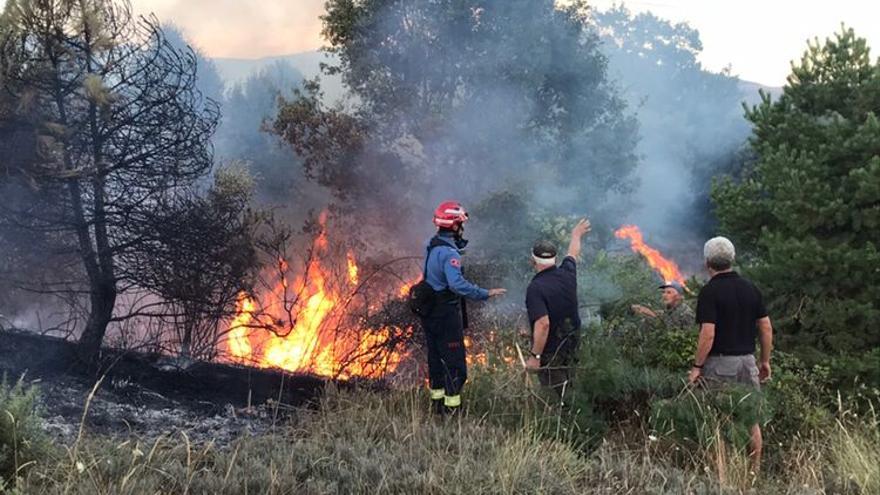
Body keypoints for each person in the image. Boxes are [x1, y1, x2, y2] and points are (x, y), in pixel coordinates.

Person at [689, 236, 773, 470]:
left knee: (720, 419)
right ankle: (754, 471)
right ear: (732, 259)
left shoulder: (709, 292)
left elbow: (708, 334)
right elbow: (765, 327)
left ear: (708, 263)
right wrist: (764, 361)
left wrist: (697, 367)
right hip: (748, 362)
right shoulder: (750, 288)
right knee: (751, 419)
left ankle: (724, 474)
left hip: (720, 365)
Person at [421, 200, 506, 415]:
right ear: (455, 226)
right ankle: (452, 412)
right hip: (445, 315)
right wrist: (485, 293)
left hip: (430, 312)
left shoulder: (432, 244)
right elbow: (456, 284)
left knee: (436, 360)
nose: (463, 229)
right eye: (461, 224)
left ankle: (437, 407)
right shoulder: (450, 254)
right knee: (455, 365)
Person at [524, 218, 591, 405]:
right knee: (570, 388)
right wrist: (576, 234)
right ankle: (576, 421)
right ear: (554, 258)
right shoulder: (567, 274)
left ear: (533, 261)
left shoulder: (535, 288)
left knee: (558, 398)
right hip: (572, 344)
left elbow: (543, 323)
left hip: (551, 352)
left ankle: (563, 429)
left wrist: (535, 356)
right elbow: (572, 253)